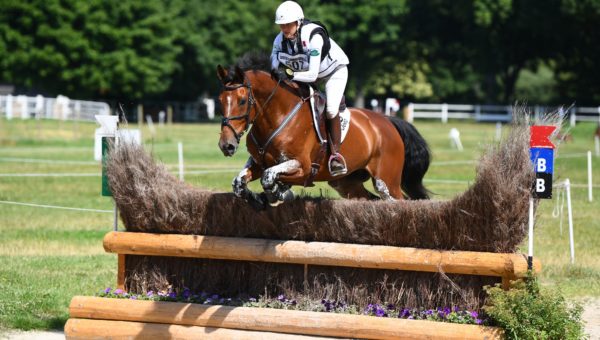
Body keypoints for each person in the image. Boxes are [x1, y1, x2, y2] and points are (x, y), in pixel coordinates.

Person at [270, 0, 350, 176]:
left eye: (288, 24)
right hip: (305, 75)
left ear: (298, 22)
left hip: (333, 72)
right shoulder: (279, 40)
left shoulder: (314, 36)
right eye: (281, 25)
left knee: (330, 110)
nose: (284, 28)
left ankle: (335, 155)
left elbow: (312, 75)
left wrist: (289, 75)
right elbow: (273, 69)